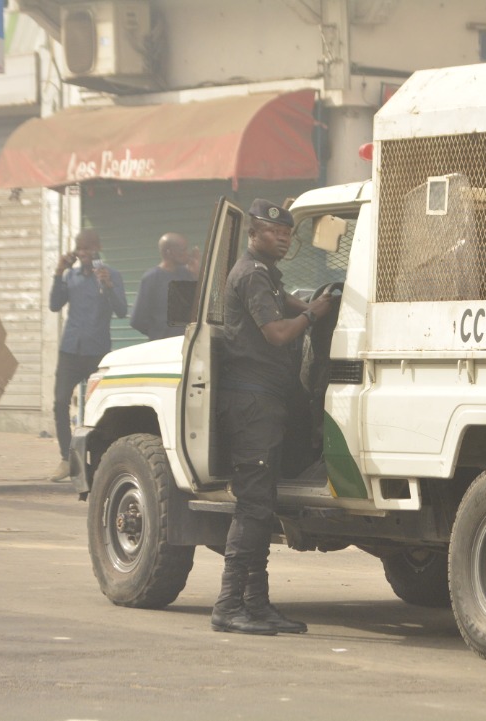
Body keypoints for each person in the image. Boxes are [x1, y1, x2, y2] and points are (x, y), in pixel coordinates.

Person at [211, 199, 334, 636]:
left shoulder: (265, 275)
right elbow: (277, 333)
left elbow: (291, 303)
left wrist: (314, 304)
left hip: (265, 402)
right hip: (252, 403)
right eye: (274, 232)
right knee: (252, 507)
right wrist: (310, 315)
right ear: (253, 233)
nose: (283, 238)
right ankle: (229, 605)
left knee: (262, 509)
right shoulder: (250, 274)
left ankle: (257, 605)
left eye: (287, 233)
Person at [48, 230, 127, 482]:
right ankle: (66, 459)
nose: (83, 253)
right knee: (60, 402)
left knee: (102, 409)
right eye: (80, 249)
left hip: (97, 351)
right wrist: (58, 272)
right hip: (71, 350)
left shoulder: (111, 275)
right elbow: (54, 304)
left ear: (98, 248)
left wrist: (109, 286)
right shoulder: (70, 276)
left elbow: (122, 311)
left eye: (88, 248)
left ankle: (101, 461)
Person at [130, 232, 195, 340]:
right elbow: (137, 320)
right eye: (183, 250)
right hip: (163, 346)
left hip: (186, 344)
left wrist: (196, 274)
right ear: (169, 252)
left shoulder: (188, 274)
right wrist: (158, 333)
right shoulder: (152, 278)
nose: (187, 254)